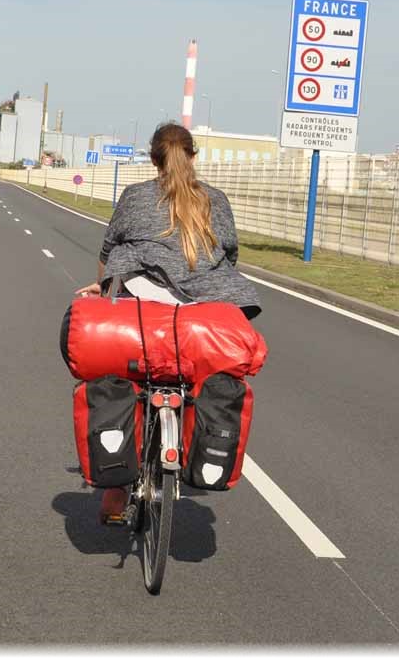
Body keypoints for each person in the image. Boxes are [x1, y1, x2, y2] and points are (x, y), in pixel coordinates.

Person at [74, 121, 260, 523]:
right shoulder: (217, 200)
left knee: (123, 378)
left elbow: (109, 250)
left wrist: (105, 289)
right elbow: (229, 257)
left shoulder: (135, 196)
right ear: (193, 156)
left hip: (142, 303)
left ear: (152, 158)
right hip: (202, 311)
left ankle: (115, 489)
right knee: (193, 376)